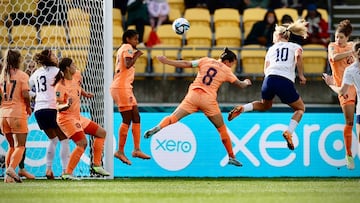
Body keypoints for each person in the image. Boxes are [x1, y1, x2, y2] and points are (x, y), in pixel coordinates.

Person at [144, 48, 252, 167]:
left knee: (173, 118)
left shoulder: (205, 60)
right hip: (208, 100)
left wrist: (167, 61)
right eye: (232, 64)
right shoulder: (226, 70)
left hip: (193, 95)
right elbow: (240, 85)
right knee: (222, 129)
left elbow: (186, 63)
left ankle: (159, 126)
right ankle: (231, 156)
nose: (231, 66)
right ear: (227, 62)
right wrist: (246, 82)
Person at [228, 19, 309, 151]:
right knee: (300, 109)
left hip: (269, 79)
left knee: (265, 105)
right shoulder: (295, 46)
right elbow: (298, 57)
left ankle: (243, 108)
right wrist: (301, 75)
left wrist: (270, 82)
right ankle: (289, 132)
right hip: (284, 80)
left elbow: (266, 69)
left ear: (278, 36)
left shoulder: (271, 49)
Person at [54, 57, 110, 180]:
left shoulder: (77, 75)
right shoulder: (60, 86)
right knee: (82, 143)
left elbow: (78, 87)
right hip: (66, 118)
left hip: (77, 116)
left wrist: (85, 94)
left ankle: (96, 165)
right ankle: (67, 173)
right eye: (73, 64)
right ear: (68, 68)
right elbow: (57, 106)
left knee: (101, 133)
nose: (76, 66)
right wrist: (66, 105)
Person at [110, 29, 151, 165]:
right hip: (121, 87)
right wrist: (137, 55)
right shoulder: (127, 47)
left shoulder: (124, 48)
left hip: (125, 87)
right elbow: (128, 64)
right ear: (128, 39)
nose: (137, 41)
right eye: (135, 39)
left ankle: (136, 149)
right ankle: (120, 151)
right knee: (127, 119)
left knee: (136, 117)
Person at [30, 49, 70, 179]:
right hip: (53, 108)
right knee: (64, 138)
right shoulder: (58, 72)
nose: (56, 57)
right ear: (48, 58)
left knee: (53, 139)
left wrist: (35, 95)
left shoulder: (36, 73)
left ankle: (48, 169)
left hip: (39, 110)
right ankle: (65, 171)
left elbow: (26, 88)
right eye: (53, 55)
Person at [322, 19, 355, 170]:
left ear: (347, 38)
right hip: (344, 88)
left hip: (357, 85)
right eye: (336, 37)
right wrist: (353, 51)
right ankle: (348, 154)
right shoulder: (332, 47)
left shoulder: (353, 46)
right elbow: (334, 58)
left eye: (341, 37)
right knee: (349, 122)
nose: (338, 40)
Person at [0, 49, 32, 183]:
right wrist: (29, 106)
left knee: (11, 146)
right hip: (17, 113)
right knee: (20, 146)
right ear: (18, 60)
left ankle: (8, 177)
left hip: (3, 115)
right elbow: (25, 94)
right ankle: (12, 168)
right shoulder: (22, 75)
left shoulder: (2, 76)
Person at [17, 59, 37, 180]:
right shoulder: (23, 78)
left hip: (23, 113)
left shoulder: (36, 79)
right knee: (19, 143)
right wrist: (35, 96)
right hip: (17, 112)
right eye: (29, 66)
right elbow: (24, 94)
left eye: (33, 66)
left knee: (20, 142)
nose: (31, 69)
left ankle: (21, 169)